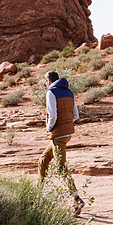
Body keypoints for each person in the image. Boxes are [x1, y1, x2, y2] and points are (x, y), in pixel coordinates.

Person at [38, 70, 84, 213]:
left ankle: (77, 199)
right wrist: (66, 124)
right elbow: (75, 115)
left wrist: (49, 128)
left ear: (49, 81)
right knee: (43, 161)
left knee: (61, 167)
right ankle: (39, 195)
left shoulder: (51, 92)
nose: (45, 83)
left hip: (58, 134)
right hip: (67, 133)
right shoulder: (69, 92)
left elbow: (52, 115)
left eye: (45, 81)